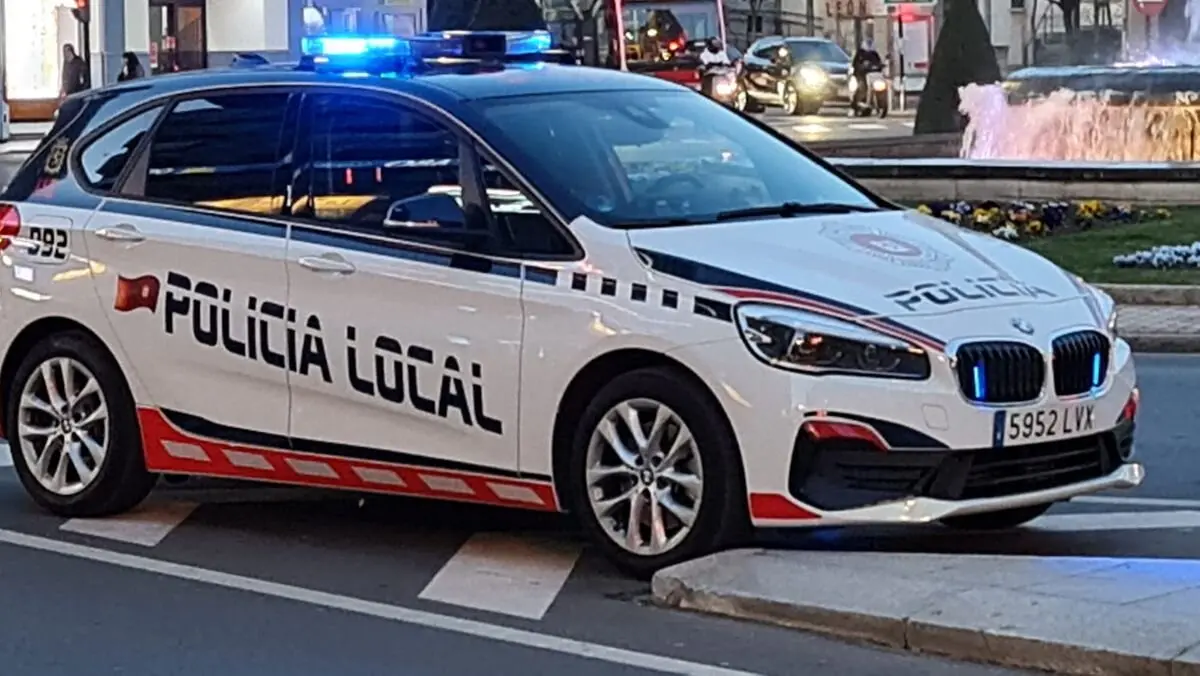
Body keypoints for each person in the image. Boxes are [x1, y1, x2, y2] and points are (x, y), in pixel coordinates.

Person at [851, 38, 883, 109]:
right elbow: (855, 64)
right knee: (862, 86)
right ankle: (859, 101)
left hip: (873, 75)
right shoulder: (860, 53)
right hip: (861, 75)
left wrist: (881, 66)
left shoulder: (874, 54)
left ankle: (879, 100)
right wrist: (861, 66)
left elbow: (879, 62)